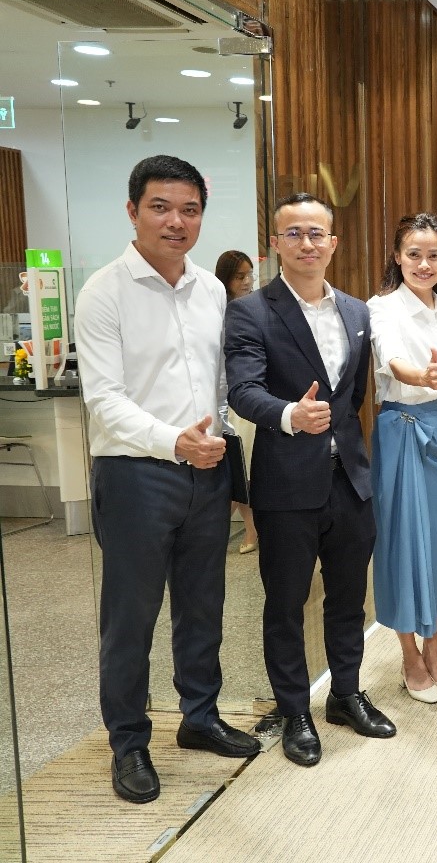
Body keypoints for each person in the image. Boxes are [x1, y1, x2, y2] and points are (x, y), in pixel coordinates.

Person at [75, 155, 260, 804]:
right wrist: (171, 440)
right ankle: (128, 741)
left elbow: (219, 382)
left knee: (203, 603)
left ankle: (199, 716)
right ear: (133, 211)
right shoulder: (104, 292)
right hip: (135, 475)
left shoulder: (210, 290)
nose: (175, 221)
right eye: (160, 207)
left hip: (206, 470)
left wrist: (222, 437)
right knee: (131, 616)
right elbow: (104, 399)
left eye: (189, 209)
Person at [225, 192, 396, 767]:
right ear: (276, 243)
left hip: (350, 478)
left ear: (333, 243)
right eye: (294, 233)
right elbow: (242, 390)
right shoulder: (251, 311)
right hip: (285, 482)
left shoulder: (357, 312)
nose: (307, 243)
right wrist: (289, 415)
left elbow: (353, 396)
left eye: (316, 233)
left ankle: (345, 693)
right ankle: (294, 708)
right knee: (286, 603)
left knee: (348, 598)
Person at [368, 214, 437, 704]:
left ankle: (435, 649)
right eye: (414, 254)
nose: (424, 264)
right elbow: (393, 362)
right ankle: (409, 655)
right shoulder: (382, 307)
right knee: (403, 544)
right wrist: (421, 377)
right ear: (397, 256)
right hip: (402, 430)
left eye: (433, 255)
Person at [215, 250, 260, 554]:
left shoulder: (255, 308)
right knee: (238, 470)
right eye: (239, 276)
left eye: (249, 275)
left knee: (246, 469)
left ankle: (250, 530)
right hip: (227, 400)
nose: (246, 281)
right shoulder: (217, 311)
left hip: (250, 397)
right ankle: (245, 530)